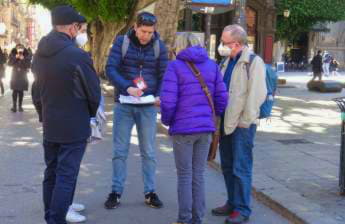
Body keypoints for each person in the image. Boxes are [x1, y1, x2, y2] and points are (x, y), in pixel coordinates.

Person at [31, 5, 101, 224]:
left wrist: (43, 113)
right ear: (72, 28)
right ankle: (55, 220)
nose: (80, 31)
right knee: (66, 176)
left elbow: (36, 90)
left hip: (51, 122)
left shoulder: (39, 52)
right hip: (74, 125)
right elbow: (93, 93)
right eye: (79, 27)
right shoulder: (77, 55)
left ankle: (50, 216)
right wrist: (89, 115)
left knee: (52, 172)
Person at [160, 33, 228, 224]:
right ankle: (197, 219)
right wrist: (212, 116)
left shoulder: (174, 66)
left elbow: (168, 102)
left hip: (183, 129)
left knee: (184, 175)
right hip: (205, 129)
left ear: (178, 47)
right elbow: (222, 97)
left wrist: (168, 120)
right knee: (198, 175)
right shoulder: (212, 65)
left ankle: (184, 219)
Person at [104, 11, 168, 209]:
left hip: (148, 106)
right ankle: (116, 192)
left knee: (148, 151)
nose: (145, 36)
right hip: (124, 104)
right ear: (135, 27)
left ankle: (150, 192)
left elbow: (164, 74)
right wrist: (127, 87)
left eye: (149, 32)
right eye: (142, 31)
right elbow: (110, 69)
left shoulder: (159, 46)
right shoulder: (122, 42)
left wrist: (158, 94)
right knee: (120, 151)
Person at [211, 25, 267, 224]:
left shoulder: (253, 61)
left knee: (241, 168)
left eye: (224, 43)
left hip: (242, 125)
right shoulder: (227, 61)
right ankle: (232, 202)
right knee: (227, 166)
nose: (221, 46)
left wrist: (245, 121)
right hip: (226, 122)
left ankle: (243, 209)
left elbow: (257, 94)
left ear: (236, 43)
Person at [8, 44, 31, 112]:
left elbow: (29, 65)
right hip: (15, 75)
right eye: (18, 48)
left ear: (23, 49)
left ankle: (20, 106)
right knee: (15, 91)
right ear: (16, 48)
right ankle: (14, 106)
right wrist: (15, 58)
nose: (20, 49)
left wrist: (23, 59)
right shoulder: (13, 54)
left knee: (21, 91)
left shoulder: (26, 55)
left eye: (21, 48)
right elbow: (9, 64)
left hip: (22, 75)